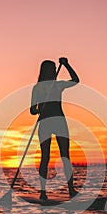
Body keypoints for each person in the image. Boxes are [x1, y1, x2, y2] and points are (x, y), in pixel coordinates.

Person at [30, 57, 79, 200]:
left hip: (59, 122)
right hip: (45, 122)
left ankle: (71, 190)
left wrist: (67, 65)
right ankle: (43, 192)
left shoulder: (57, 86)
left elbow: (75, 80)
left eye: (53, 69)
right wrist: (39, 108)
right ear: (44, 71)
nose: (52, 72)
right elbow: (32, 110)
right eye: (49, 69)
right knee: (45, 157)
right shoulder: (37, 88)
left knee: (65, 157)